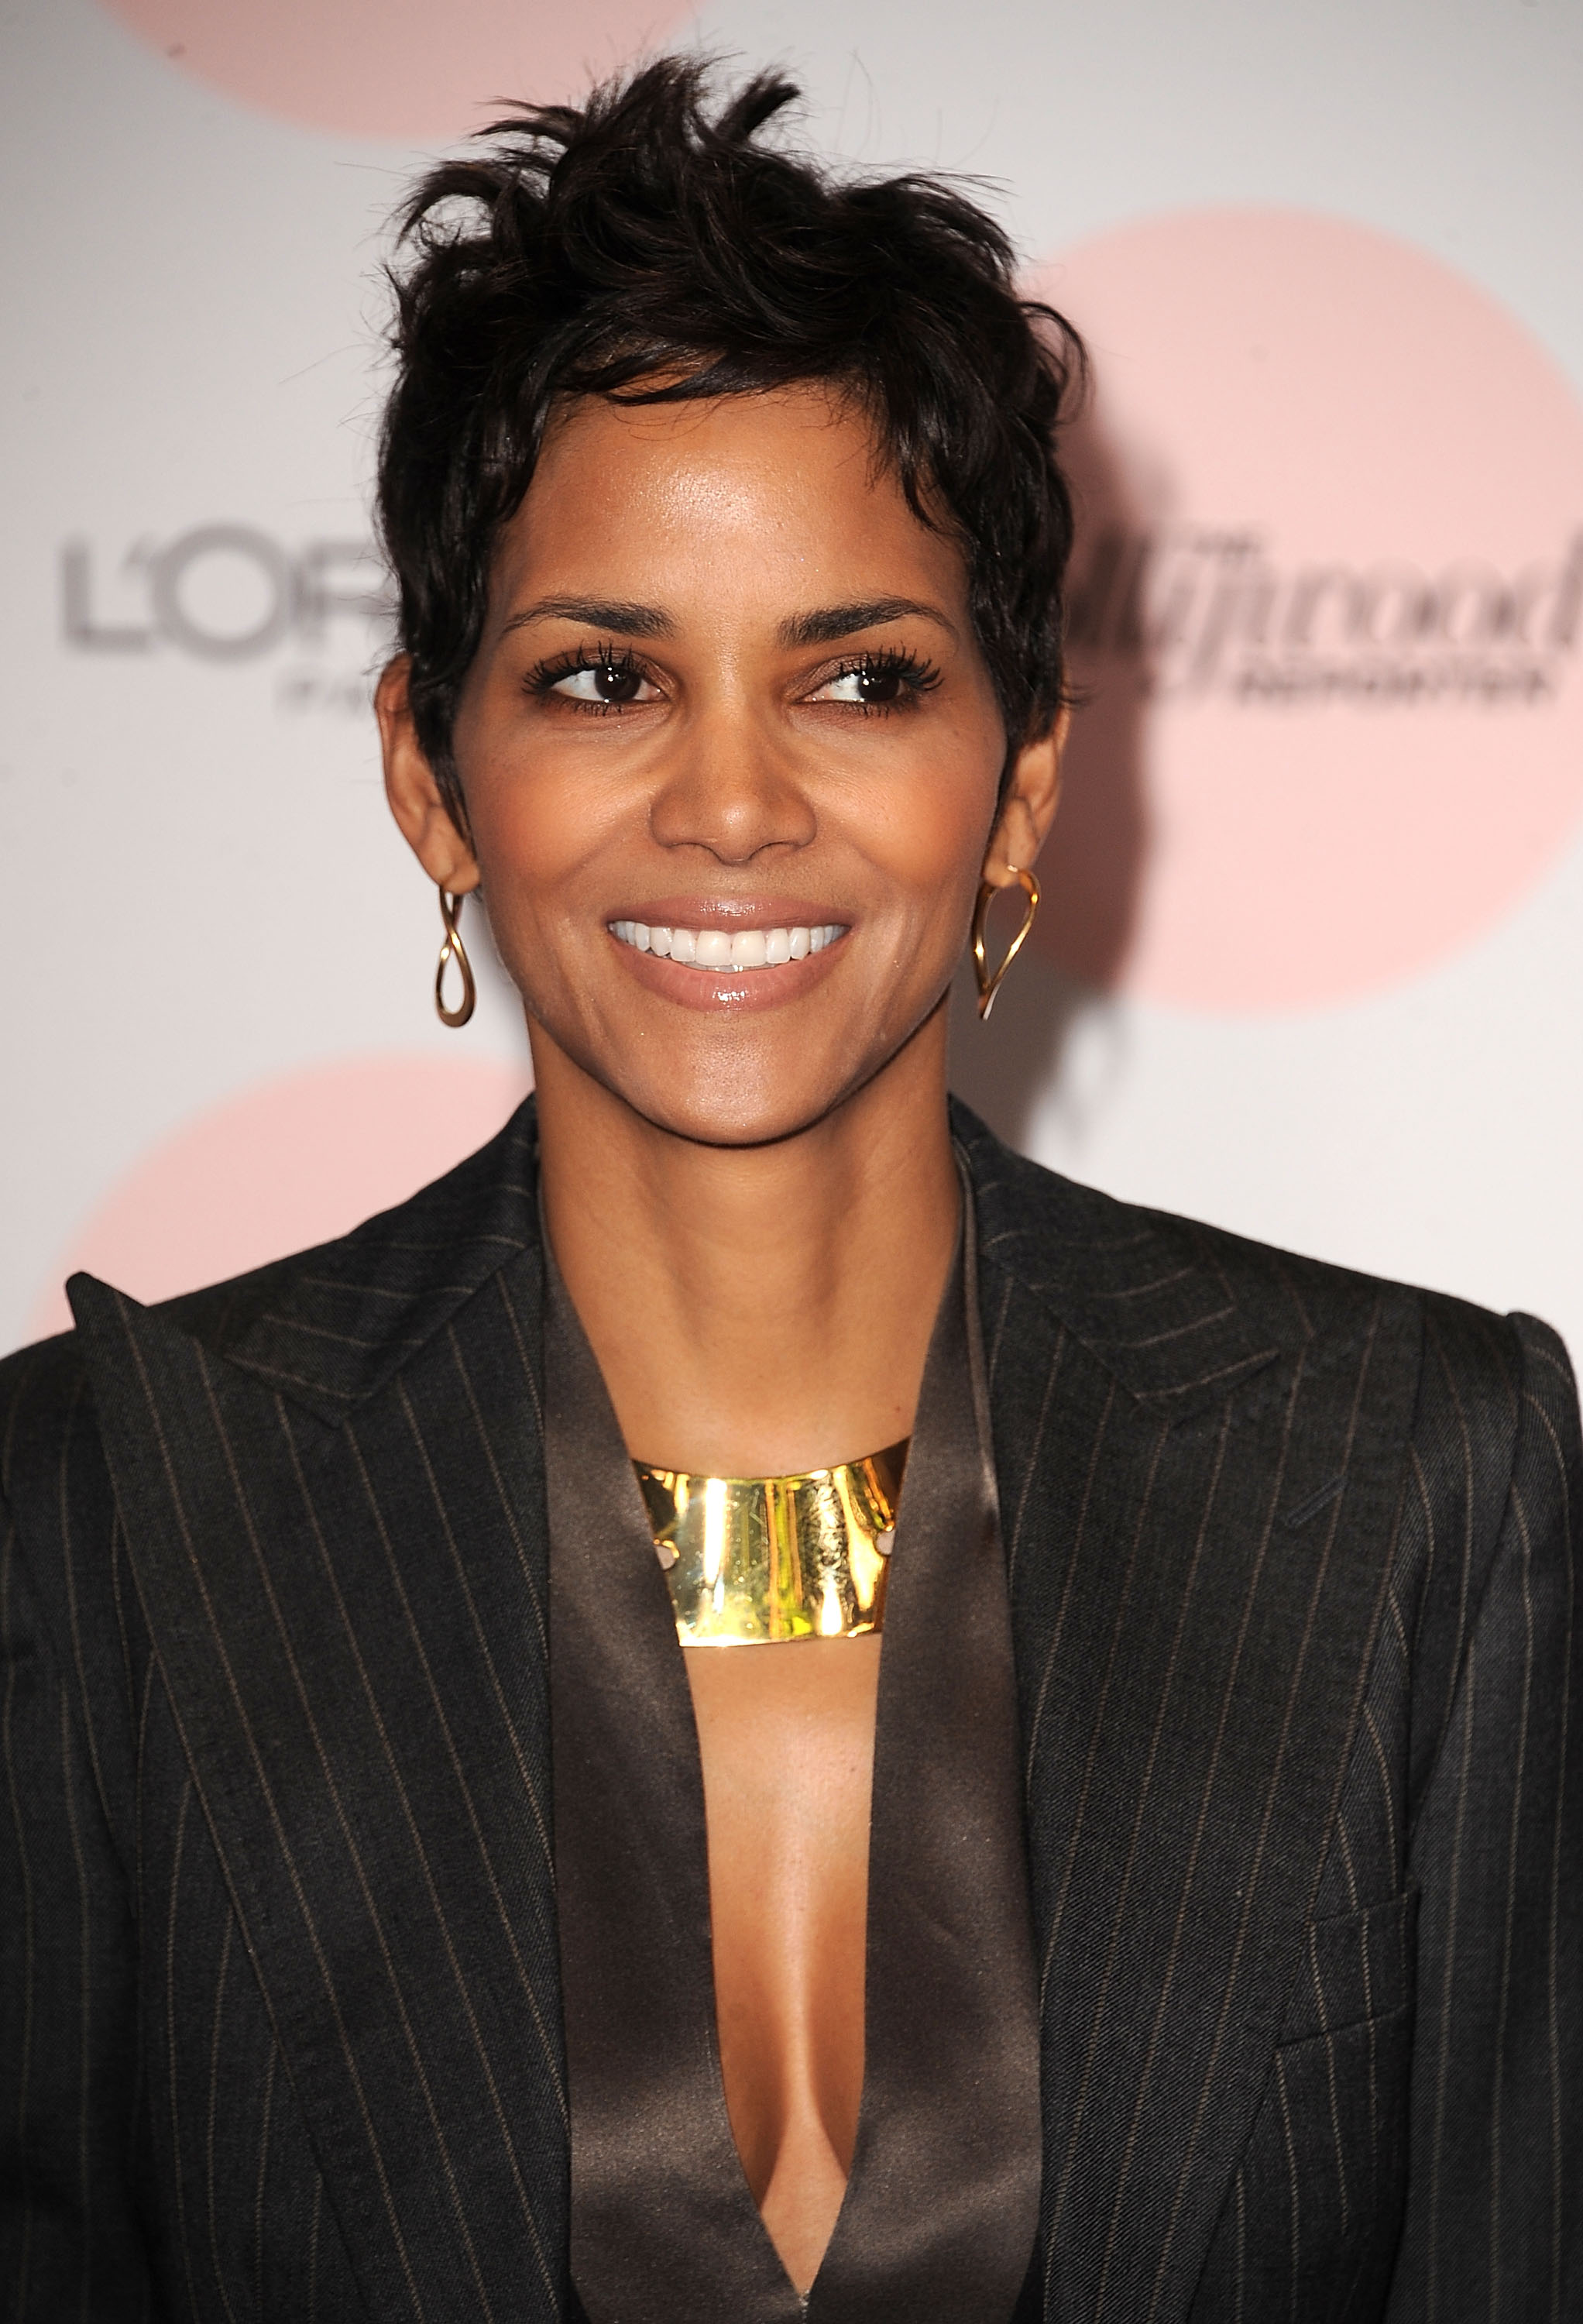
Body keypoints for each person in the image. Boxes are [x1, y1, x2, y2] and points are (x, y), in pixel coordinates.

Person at [2, 57, 1577, 2324]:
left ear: (1018, 789)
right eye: (602, 677)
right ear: (432, 777)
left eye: (857, 679)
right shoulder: (103, 1514)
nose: (731, 807)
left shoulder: (1418, 1474)